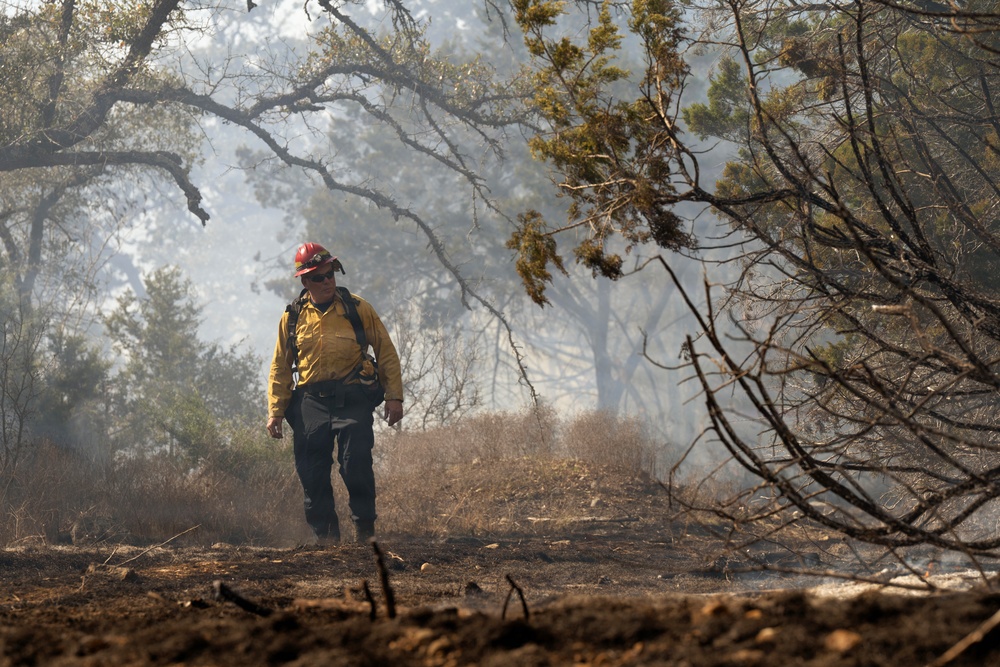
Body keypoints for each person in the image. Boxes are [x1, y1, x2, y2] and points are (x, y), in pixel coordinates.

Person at [267, 242, 404, 545]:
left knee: (355, 462)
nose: (327, 281)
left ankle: (365, 534)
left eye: (330, 274)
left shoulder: (357, 308)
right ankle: (326, 540)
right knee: (312, 472)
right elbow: (280, 365)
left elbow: (386, 352)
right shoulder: (292, 317)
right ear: (305, 282)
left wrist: (394, 396)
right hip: (310, 402)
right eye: (318, 277)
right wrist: (276, 411)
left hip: (352, 397)